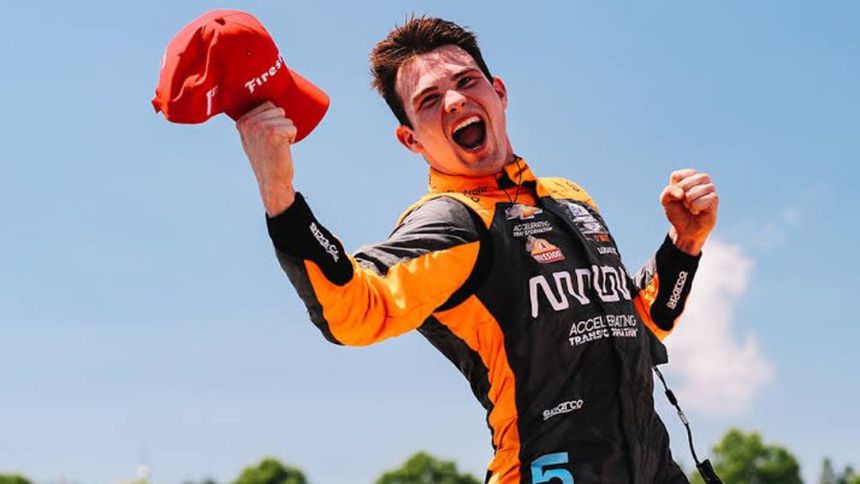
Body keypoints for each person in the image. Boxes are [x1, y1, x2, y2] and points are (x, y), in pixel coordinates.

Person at [235, 16, 718, 484]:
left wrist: (685, 242)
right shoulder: (452, 223)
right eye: (429, 100)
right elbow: (353, 311)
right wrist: (280, 195)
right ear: (410, 139)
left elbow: (638, 324)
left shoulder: (571, 198)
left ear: (499, 92)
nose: (454, 101)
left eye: (467, 81)